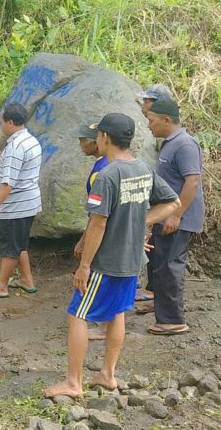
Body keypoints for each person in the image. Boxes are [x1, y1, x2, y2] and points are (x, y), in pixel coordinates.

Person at [44, 113, 179, 399]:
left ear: (105, 138)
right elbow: (172, 203)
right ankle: (107, 374)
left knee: (77, 314)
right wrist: (141, 221)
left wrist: (84, 265)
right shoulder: (143, 169)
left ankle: (73, 382)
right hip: (131, 261)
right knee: (117, 313)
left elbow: (98, 223)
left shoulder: (107, 175)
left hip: (106, 262)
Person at [144, 98, 204, 335]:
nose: (149, 126)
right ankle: (162, 307)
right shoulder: (169, 143)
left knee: (170, 265)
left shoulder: (185, 145)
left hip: (178, 217)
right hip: (166, 214)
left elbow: (193, 181)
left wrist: (176, 215)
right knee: (160, 264)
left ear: (166, 120)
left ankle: (172, 320)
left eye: (151, 121)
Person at [0, 103, 42, 300]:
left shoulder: (16, 147)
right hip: (28, 203)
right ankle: (26, 280)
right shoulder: (31, 140)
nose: (1, 126)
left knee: (9, 247)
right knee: (19, 243)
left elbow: (8, 183)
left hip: (16, 206)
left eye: (2, 122)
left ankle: (1, 286)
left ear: (11, 122)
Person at [70, 123, 112, 340]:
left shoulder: (100, 172)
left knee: (98, 274)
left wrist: (84, 239)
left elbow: (96, 216)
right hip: (108, 230)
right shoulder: (108, 164)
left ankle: (104, 326)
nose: (80, 144)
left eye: (82, 140)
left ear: (95, 142)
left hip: (101, 231)